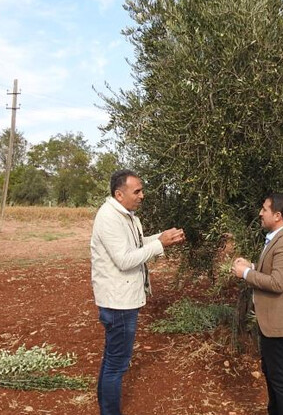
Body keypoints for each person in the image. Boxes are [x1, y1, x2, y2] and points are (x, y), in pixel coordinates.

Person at [90, 169, 185, 415]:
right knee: (117, 365)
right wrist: (159, 245)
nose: (142, 195)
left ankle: (105, 408)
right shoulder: (109, 217)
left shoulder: (127, 216)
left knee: (112, 359)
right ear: (119, 194)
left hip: (124, 299)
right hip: (118, 302)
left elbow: (134, 245)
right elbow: (124, 259)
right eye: (137, 191)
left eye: (142, 190)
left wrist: (161, 238)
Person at [233, 193, 283, 415]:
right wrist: (252, 265)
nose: (260, 213)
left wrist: (245, 273)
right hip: (272, 321)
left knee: (281, 380)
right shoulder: (278, 237)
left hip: (280, 323)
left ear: (277, 215)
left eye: (264, 209)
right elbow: (275, 270)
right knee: (272, 374)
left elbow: (277, 282)